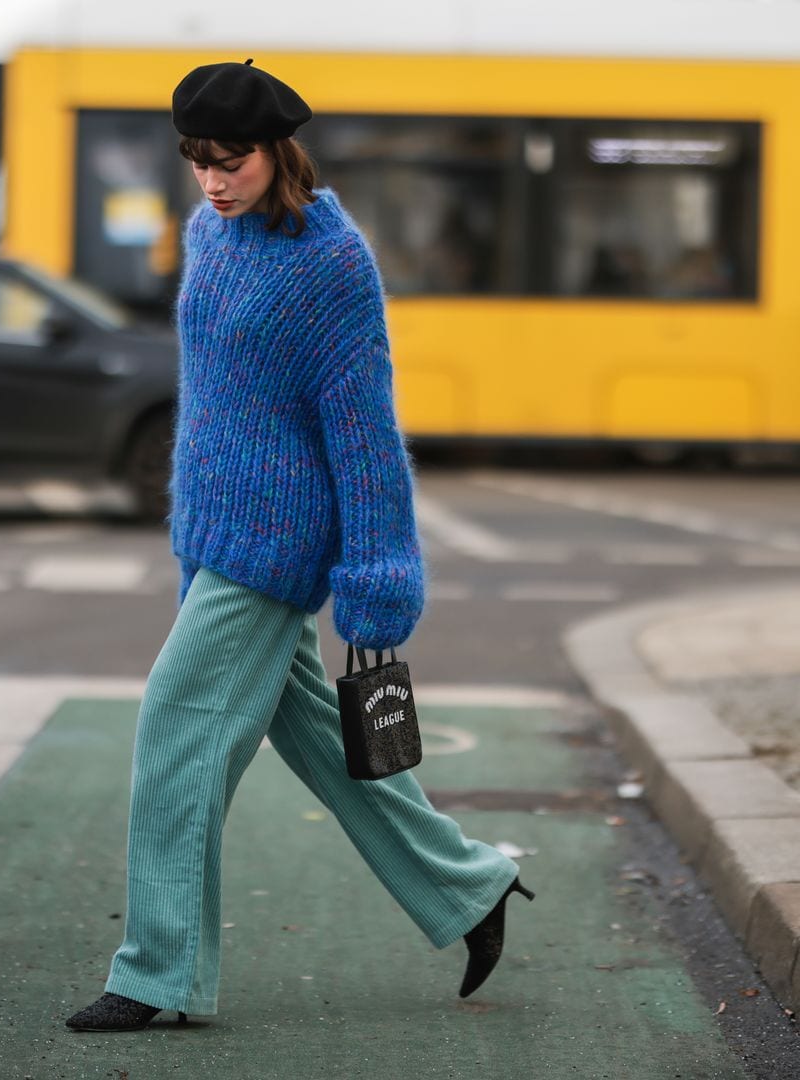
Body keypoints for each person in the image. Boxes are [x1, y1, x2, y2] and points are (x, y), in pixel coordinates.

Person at [65, 59, 533, 1034]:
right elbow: (217, 393)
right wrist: (189, 519)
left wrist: (378, 575)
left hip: (276, 543)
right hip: (216, 527)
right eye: (195, 161)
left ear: (278, 152)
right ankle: (469, 888)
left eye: (228, 160)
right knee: (329, 747)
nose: (211, 180)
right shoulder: (211, 232)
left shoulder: (332, 264)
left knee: (174, 734)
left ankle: (158, 973)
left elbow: (363, 430)